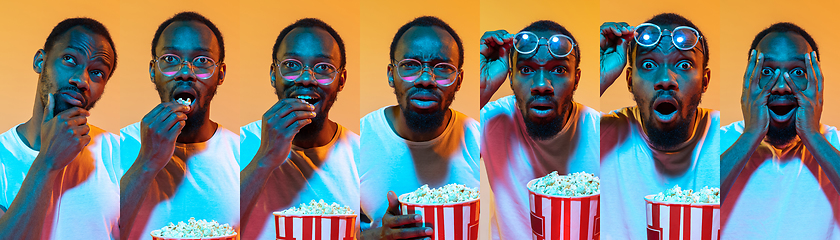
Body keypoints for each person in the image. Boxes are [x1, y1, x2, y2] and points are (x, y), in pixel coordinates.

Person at [599, 13, 720, 240]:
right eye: (648, 64)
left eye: (684, 64)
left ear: (705, 80)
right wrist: (601, 74)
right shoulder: (599, 137)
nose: (666, 79)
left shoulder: (731, 142)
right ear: (629, 80)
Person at [119, 11, 239, 240]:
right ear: (153, 71)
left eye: (202, 61)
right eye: (170, 60)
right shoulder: (118, 148)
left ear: (220, 74)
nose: (185, 73)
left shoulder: (241, 153)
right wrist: (146, 162)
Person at [358, 16, 480, 239]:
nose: (425, 79)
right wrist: (375, 236)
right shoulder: (359, 139)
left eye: (442, 68)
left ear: (459, 80)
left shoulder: (479, 140)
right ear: (391, 75)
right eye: (410, 66)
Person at [239, 18, 360, 239]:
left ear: (341, 80)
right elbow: (215, 225)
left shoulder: (360, 154)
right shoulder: (238, 145)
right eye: (292, 65)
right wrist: (265, 158)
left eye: (323, 68)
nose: (306, 79)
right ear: (273, 74)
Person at [0, 17, 119, 240]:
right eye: (69, 59)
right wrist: (47, 162)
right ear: (40, 61)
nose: (81, 79)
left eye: (97, 73)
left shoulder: (117, 152)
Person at [479, 20, 599, 239]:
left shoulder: (602, 132)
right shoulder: (490, 121)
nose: (542, 84)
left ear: (576, 79)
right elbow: (440, 155)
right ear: (511, 77)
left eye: (559, 69)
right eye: (526, 69)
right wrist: (481, 87)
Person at [720, 22, 840, 239]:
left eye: (797, 71)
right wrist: (750, 135)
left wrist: (812, 135)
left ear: (816, 81)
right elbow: (688, 208)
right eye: (766, 71)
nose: (781, 86)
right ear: (749, 80)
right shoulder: (717, 143)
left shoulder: (835, 144)